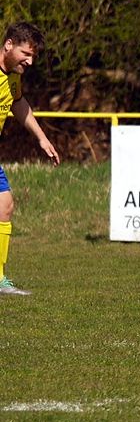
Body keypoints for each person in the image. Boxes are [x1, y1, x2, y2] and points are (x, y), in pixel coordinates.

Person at [0, 22, 60, 296]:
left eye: (33, 56)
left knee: (5, 205)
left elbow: (18, 103)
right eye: (26, 53)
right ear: (8, 45)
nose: (30, 61)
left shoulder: (12, 77)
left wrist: (41, 138)